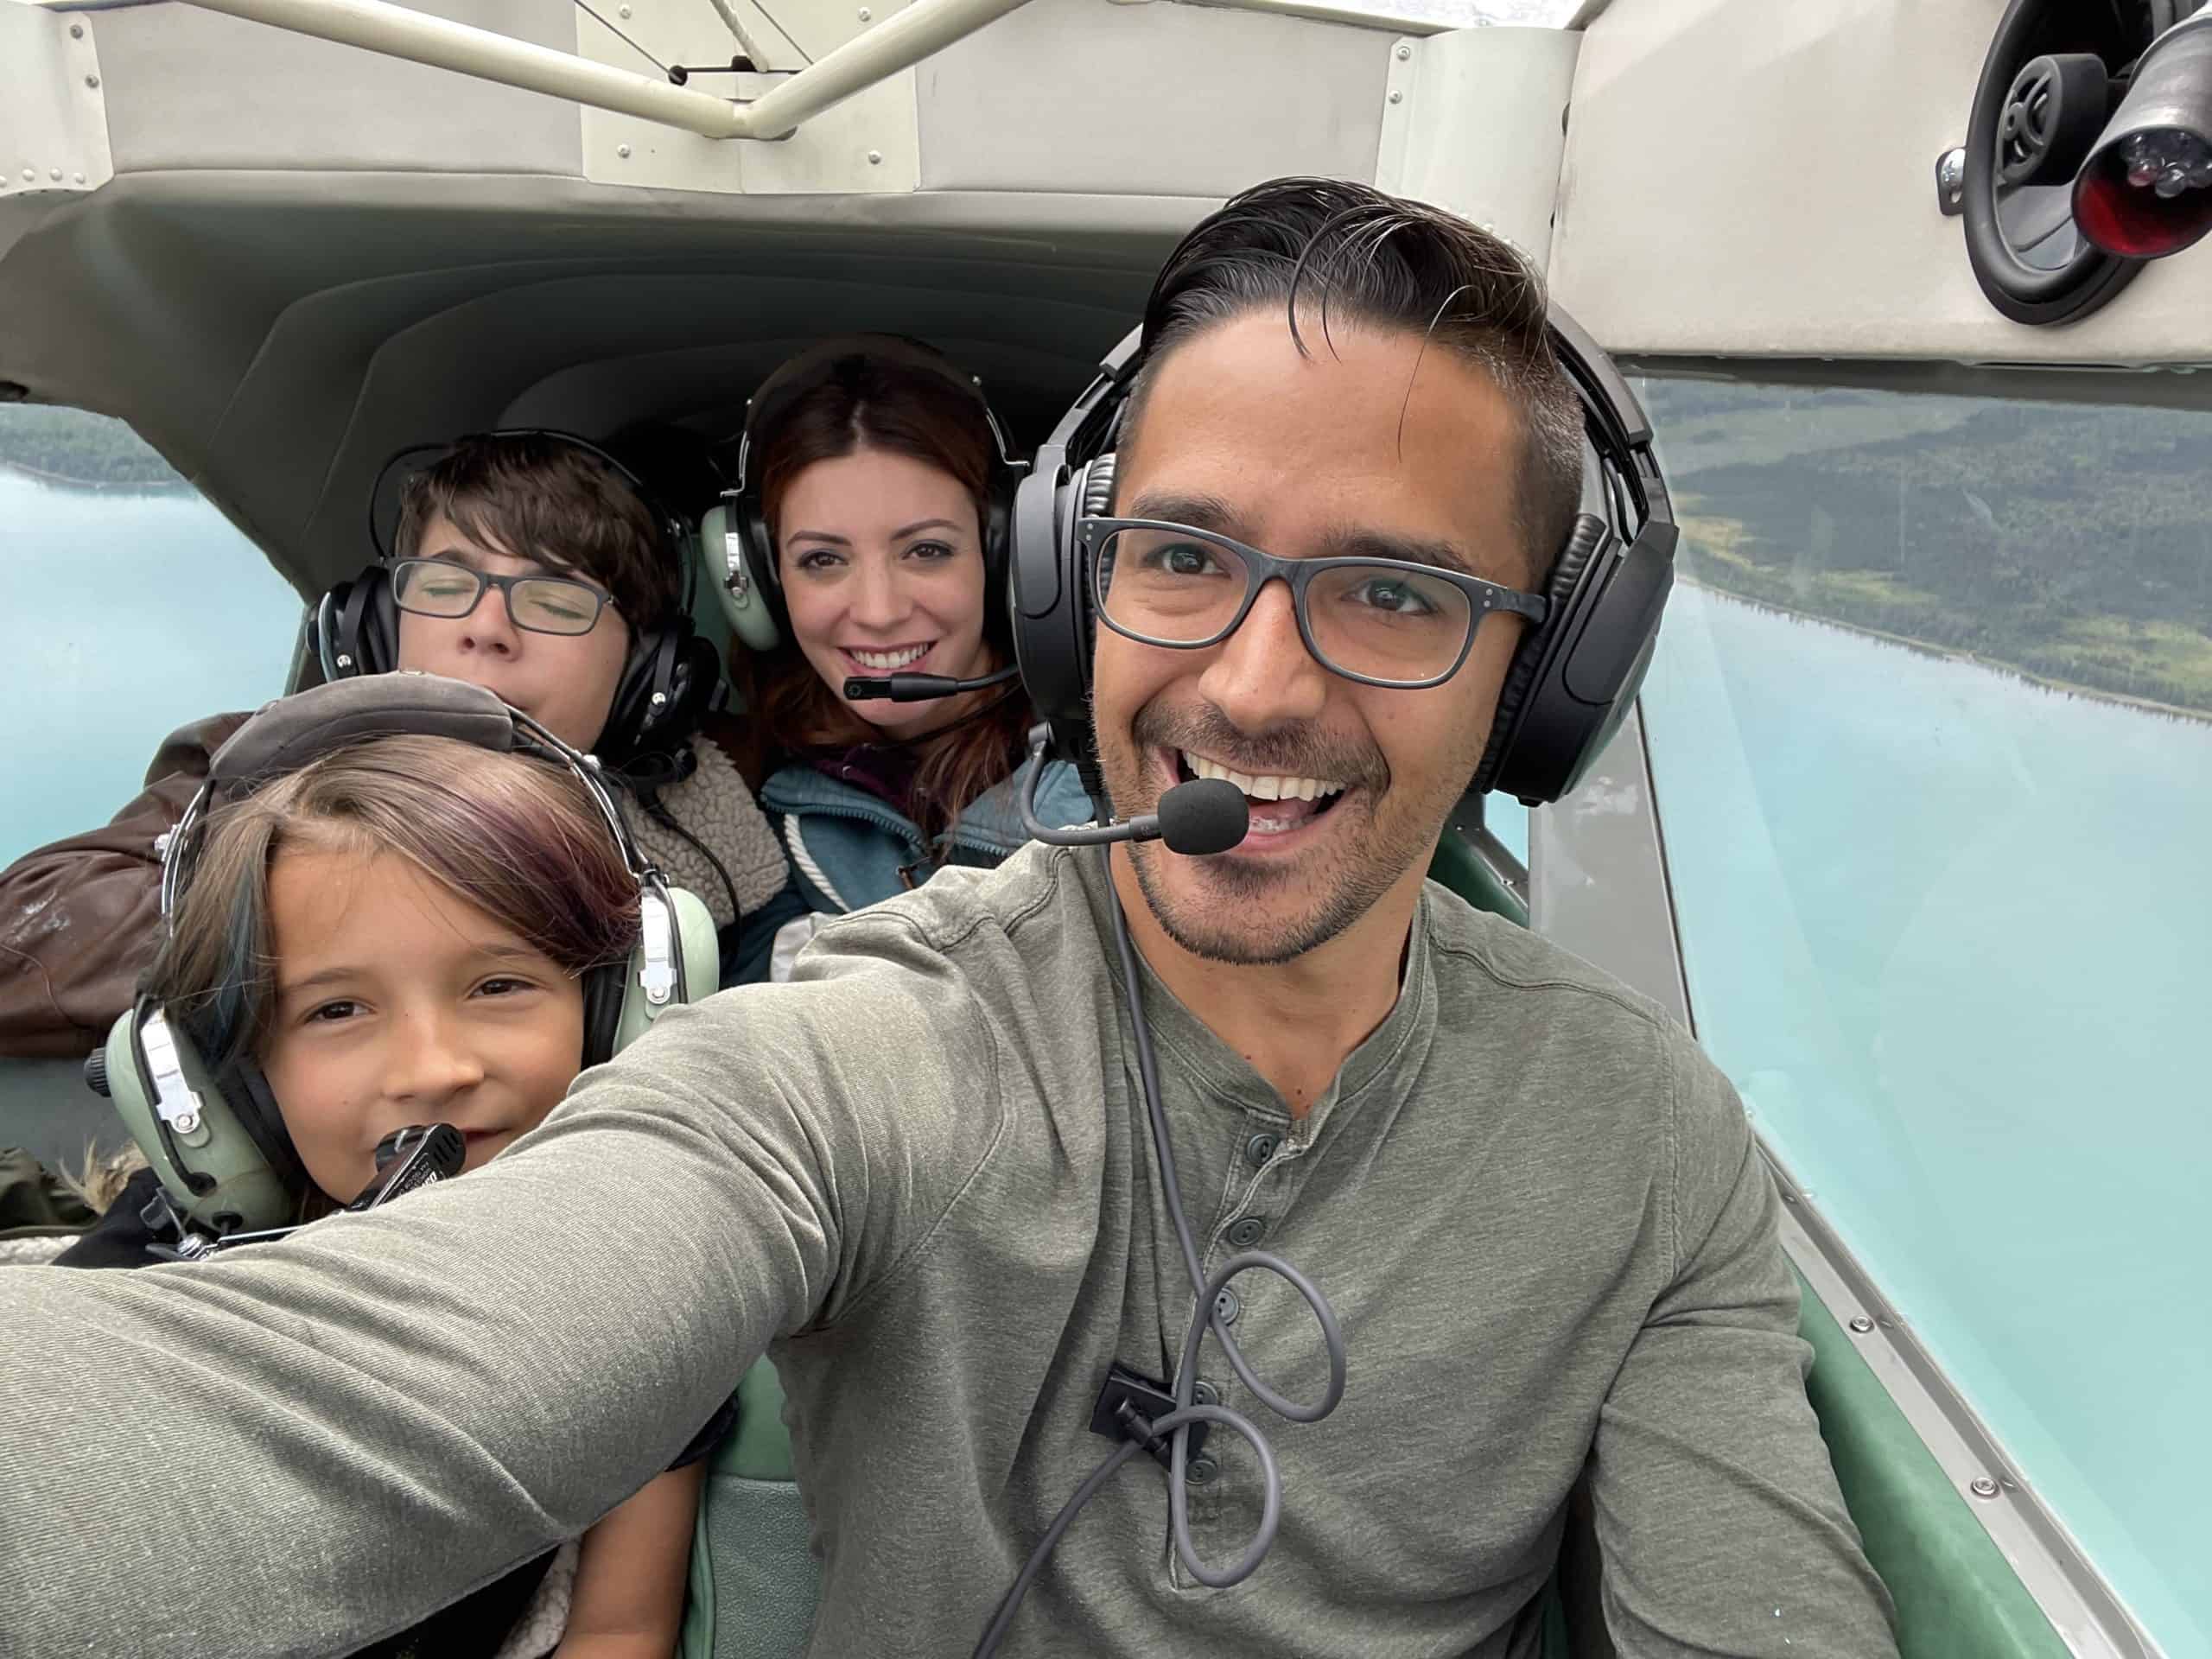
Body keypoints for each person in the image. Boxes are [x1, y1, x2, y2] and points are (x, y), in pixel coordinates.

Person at [0, 178, 1899, 1659]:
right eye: (1177, 557)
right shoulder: (871, 1035)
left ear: (1548, 672)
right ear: (1076, 584)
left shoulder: (1648, 1137)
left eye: (1393, 591)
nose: (1252, 681)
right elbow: (334, 1409)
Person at [40, 725, 719, 1659]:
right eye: (337, 1010)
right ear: (222, 1086)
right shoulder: (144, 1285)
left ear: (616, 1018)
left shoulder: (652, 1317)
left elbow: (618, 1631)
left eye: (499, 984)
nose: (433, 1069)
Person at [0, 431, 786, 1058]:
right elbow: (25, 941)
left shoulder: (728, 832)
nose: (486, 630)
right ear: (375, 628)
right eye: (445, 587)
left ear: (647, 672)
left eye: (554, 598)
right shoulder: (260, 772)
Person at [720, 336, 1093, 984]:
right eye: (822, 560)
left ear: (1004, 555)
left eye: (925, 551)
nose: (879, 610)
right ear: (763, 581)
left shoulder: (1114, 784)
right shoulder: (737, 820)